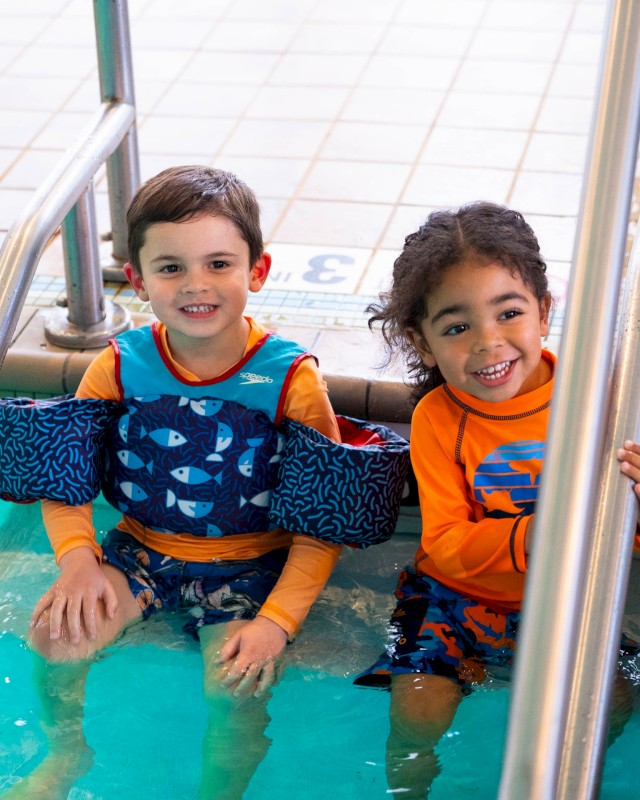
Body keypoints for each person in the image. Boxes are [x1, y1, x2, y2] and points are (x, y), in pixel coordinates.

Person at [15, 165, 342, 800]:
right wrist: (78, 564)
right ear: (136, 279)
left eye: (219, 264)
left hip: (250, 567)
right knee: (54, 634)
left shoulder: (291, 380)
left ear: (259, 270)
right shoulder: (118, 365)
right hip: (141, 552)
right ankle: (67, 757)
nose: (197, 285)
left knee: (236, 688)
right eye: (170, 268)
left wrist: (276, 620)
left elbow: (322, 522)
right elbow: (66, 479)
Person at [355, 201, 638, 797]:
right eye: (457, 328)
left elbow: (621, 536)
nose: (489, 343)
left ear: (544, 311)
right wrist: (540, 533)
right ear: (422, 342)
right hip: (453, 599)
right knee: (416, 712)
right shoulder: (440, 416)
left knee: (610, 704)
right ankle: (410, 788)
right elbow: (447, 545)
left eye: (508, 313)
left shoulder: (596, 404)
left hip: (565, 602)